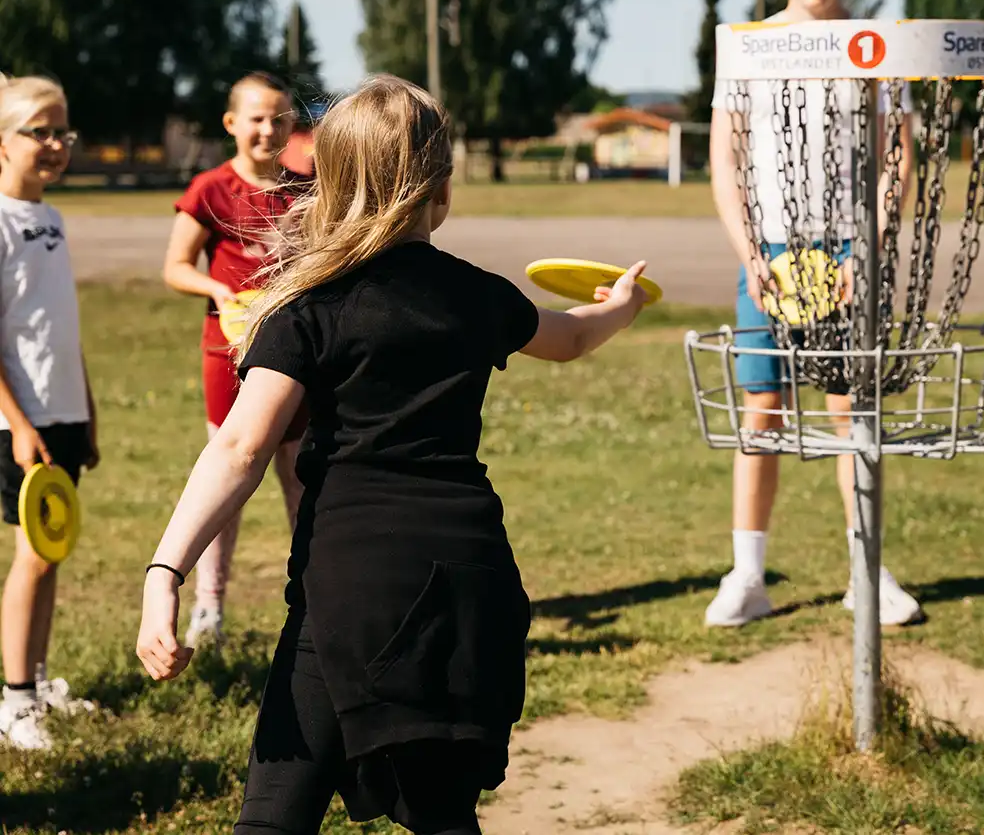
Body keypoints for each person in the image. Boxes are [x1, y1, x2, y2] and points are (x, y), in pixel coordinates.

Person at [135, 74, 650, 834]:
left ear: (331, 182)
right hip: (468, 580)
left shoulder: (305, 308)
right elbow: (568, 339)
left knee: (274, 818)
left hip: (349, 588)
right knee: (442, 815)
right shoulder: (474, 295)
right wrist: (621, 307)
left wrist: (164, 571)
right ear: (439, 188)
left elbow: (241, 447)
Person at [704, 0, 918, 628]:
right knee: (762, 408)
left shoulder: (882, 47)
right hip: (767, 251)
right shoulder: (748, 44)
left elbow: (897, 159)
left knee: (852, 411)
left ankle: (867, 573)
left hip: (852, 249)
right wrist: (750, 254)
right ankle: (748, 574)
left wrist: (868, 252)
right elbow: (726, 157)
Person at [162, 71, 310, 647]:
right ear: (232, 124)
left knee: (302, 482)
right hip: (229, 356)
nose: (267, 129)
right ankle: (209, 608)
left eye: (279, 118)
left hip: (298, 361)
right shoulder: (209, 189)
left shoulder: (307, 191)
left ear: (293, 125)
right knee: (225, 481)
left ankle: (309, 598)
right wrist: (216, 291)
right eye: (256, 117)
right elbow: (175, 266)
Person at [0, 74, 99, 750]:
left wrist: (86, 409)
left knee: (52, 550)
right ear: (1, 142)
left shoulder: (53, 219)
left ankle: (38, 678)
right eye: (41, 131)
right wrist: (23, 424)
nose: (57, 144)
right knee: (31, 557)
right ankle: (14, 701)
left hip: (63, 414)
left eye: (63, 130)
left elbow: (59, 327)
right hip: (17, 424)